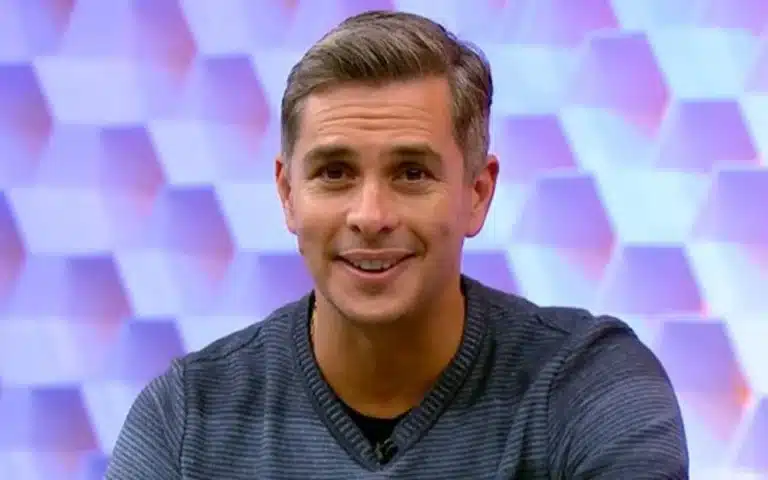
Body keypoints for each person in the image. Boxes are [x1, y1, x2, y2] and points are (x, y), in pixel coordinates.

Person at [106, 10, 689, 479]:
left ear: (477, 193)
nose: (370, 216)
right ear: (287, 194)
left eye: (412, 173)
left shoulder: (588, 386)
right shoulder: (187, 421)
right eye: (334, 173)